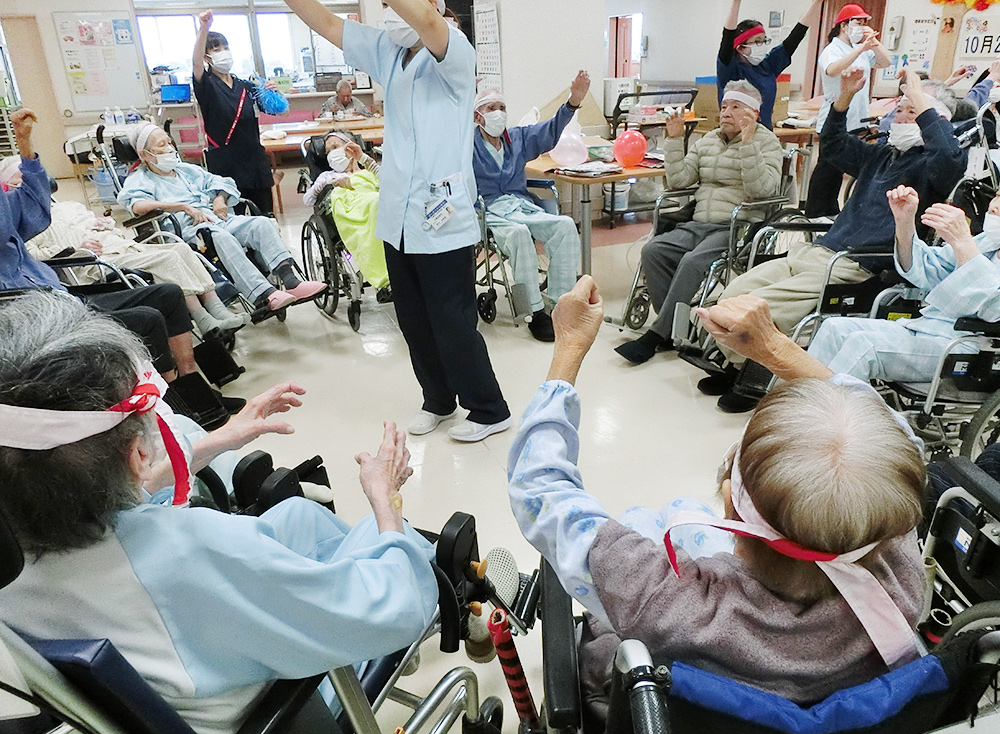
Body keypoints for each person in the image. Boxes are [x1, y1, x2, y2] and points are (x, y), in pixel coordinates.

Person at [0, 291, 439, 734]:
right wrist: (385, 499)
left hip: (162, 674)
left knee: (296, 516)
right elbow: (390, 609)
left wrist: (224, 439)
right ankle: (440, 602)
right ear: (135, 456)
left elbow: (120, 496)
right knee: (385, 536)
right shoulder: (190, 551)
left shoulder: (15, 546)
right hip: (277, 713)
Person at [509, 278, 925, 719]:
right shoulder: (902, 569)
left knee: (639, 522)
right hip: (819, 704)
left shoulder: (668, 603)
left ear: (731, 503)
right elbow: (900, 442)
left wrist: (569, 346)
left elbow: (540, 486)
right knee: (680, 512)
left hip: (663, 686)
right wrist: (773, 348)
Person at [286, 0, 512, 443]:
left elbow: (426, 20)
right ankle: (438, 399)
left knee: (451, 319)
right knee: (413, 317)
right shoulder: (390, 51)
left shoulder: (454, 49)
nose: (389, 10)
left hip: (442, 217)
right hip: (400, 215)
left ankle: (488, 407)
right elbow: (330, 24)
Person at [698, 68, 966, 413]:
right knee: (731, 296)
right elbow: (835, 146)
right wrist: (843, 99)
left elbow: (950, 155)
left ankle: (753, 375)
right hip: (821, 249)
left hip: (855, 265)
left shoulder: (935, 167)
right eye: (899, 107)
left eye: (911, 109)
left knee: (761, 306)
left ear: (936, 119)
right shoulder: (883, 154)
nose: (901, 112)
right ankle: (739, 364)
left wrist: (918, 94)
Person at [0, 109, 236, 429]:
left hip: (63, 294)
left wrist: (25, 146)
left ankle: (193, 385)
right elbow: (39, 239)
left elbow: (33, 204)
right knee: (149, 318)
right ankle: (173, 414)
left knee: (167, 293)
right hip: (37, 311)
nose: (18, 187)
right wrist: (76, 249)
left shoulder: (22, 206)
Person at [615, 81, 783, 364]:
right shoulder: (708, 140)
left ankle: (657, 335)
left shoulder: (767, 143)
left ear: (754, 112)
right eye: (724, 106)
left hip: (736, 227)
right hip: (698, 222)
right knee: (653, 251)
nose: (726, 112)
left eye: (736, 107)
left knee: (692, 262)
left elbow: (762, 191)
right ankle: (671, 327)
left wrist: (748, 143)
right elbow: (680, 180)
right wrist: (674, 139)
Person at [118, 123, 326, 313]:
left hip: (218, 218)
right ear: (145, 154)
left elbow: (223, 182)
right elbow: (138, 206)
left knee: (261, 223)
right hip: (189, 229)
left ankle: (292, 282)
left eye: (169, 142)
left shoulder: (186, 170)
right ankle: (265, 294)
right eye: (161, 145)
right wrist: (181, 206)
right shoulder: (140, 179)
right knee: (220, 236)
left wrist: (220, 198)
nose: (170, 148)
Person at [808, 186, 1000, 383]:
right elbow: (926, 268)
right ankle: (798, 405)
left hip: (970, 348)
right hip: (926, 329)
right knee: (833, 328)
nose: (994, 207)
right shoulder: (988, 242)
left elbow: (993, 311)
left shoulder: (974, 243)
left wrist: (963, 243)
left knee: (863, 345)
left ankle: (826, 411)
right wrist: (905, 221)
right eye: (996, 196)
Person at [19, 194, 250, 337]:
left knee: (180, 249)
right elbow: (33, 256)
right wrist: (77, 248)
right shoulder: (27, 223)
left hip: (120, 245)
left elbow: (111, 226)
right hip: (93, 262)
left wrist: (105, 224)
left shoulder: (70, 206)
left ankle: (216, 307)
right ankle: (203, 318)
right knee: (166, 259)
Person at [472, 72, 588, 342]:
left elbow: (549, 130)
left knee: (565, 225)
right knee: (519, 236)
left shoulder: (517, 138)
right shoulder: (468, 144)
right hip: (488, 211)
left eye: (502, 108)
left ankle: (561, 303)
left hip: (520, 205)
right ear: (478, 117)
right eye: (491, 109)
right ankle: (533, 312)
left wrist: (573, 102)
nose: (498, 113)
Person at [193, 9, 284, 215]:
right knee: (236, 219)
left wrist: (275, 94)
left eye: (226, 47)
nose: (224, 52)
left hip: (255, 161)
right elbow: (196, 64)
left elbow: (282, 112)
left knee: (266, 216)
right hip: (227, 164)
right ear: (208, 57)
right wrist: (203, 29)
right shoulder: (207, 86)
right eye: (216, 49)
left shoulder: (246, 86)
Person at [804, 3, 890, 218]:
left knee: (840, 170)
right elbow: (832, 69)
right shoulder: (832, 50)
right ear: (844, 25)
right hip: (834, 121)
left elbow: (885, 61)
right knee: (827, 171)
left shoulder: (860, 49)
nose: (862, 27)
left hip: (856, 122)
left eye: (864, 23)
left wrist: (873, 43)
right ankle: (814, 214)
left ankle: (832, 212)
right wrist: (861, 48)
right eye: (858, 22)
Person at [303, 130, 389, 294]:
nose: (331, 154)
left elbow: (388, 182)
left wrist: (364, 158)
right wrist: (330, 182)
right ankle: (385, 279)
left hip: (374, 201)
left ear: (349, 147)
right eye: (328, 151)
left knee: (380, 202)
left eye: (335, 147)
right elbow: (307, 199)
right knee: (376, 203)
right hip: (350, 207)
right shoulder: (327, 176)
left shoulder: (368, 171)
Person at [717, 0, 823, 130]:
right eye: (756, 41)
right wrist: (736, 3)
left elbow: (796, 37)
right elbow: (727, 36)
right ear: (740, 48)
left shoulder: (768, 66)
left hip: (763, 135)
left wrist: (818, 3)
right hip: (734, 135)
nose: (761, 45)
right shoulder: (729, 68)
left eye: (763, 40)